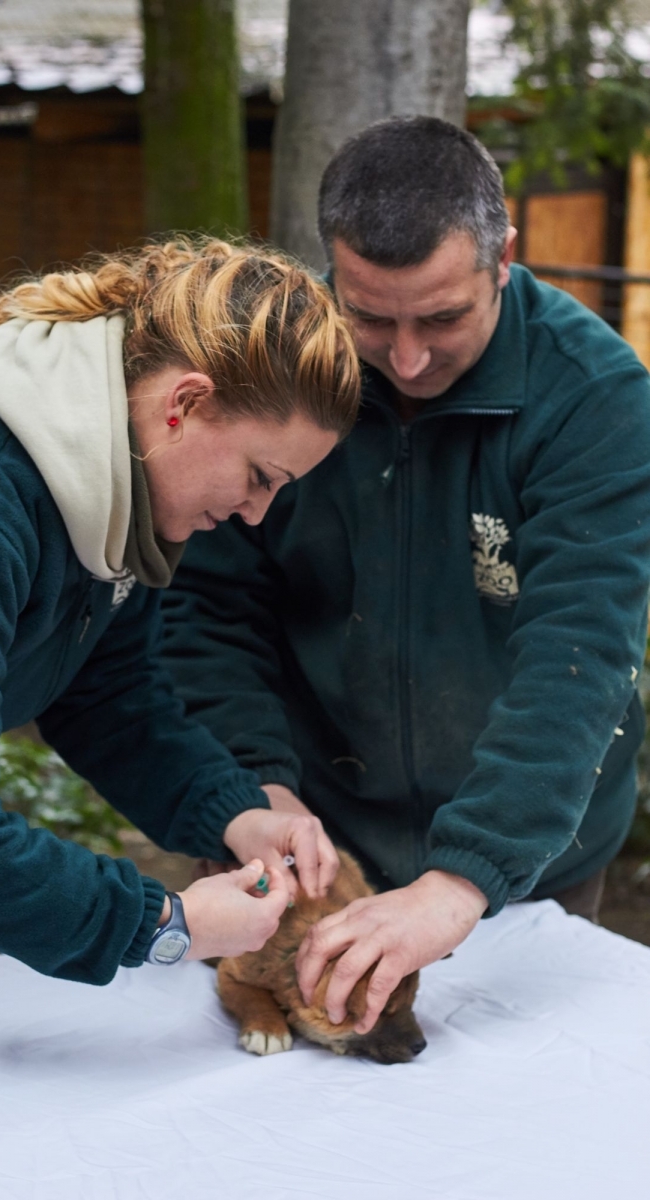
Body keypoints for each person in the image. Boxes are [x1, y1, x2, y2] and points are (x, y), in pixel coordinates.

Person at [163, 118, 650, 1034]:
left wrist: (465, 878)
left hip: (530, 855)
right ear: (331, 268)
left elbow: (578, 658)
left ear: (506, 255)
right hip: (310, 831)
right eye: (372, 319)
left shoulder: (598, 401)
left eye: (442, 318)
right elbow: (210, 606)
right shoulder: (271, 371)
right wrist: (254, 783)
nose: (409, 358)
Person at [0, 237, 361, 982]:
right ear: (184, 403)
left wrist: (235, 812)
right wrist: (163, 923)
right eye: (259, 475)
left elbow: (107, 695)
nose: (258, 513)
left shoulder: (114, 492)